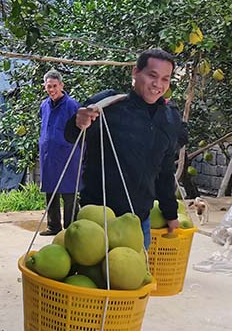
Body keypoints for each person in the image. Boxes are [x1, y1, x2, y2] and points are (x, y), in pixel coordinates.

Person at [65, 48, 185, 249]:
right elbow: (71, 136)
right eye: (152, 75)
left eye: (165, 79)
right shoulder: (108, 106)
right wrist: (78, 122)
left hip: (138, 222)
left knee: (131, 277)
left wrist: (170, 213)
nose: (158, 85)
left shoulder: (169, 118)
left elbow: (165, 171)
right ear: (136, 72)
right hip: (96, 218)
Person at [38, 70, 81, 235]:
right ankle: (53, 226)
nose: (52, 89)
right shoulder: (44, 105)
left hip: (68, 154)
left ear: (61, 85)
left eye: (55, 86)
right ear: (45, 87)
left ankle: (71, 228)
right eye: (49, 86)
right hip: (49, 154)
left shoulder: (72, 105)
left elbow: (80, 131)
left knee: (69, 192)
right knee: (51, 190)